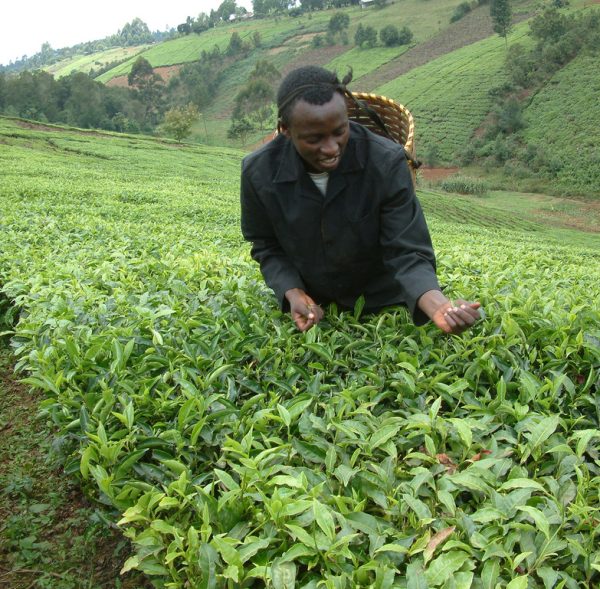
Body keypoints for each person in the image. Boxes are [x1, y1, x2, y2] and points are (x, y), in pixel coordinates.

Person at [240, 66, 480, 334]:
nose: (331, 148)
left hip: (381, 297)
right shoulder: (258, 172)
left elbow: (406, 248)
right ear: (285, 129)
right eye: (314, 139)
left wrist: (436, 304)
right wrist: (293, 292)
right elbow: (265, 244)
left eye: (340, 131)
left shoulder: (385, 161)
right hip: (314, 295)